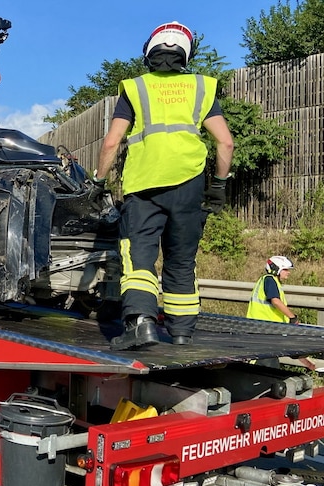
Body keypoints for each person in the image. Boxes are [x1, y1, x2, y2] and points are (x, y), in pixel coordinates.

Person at [95, 21, 234, 350]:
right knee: (182, 259)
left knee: (139, 256)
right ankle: (182, 331)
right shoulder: (200, 88)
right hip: (189, 184)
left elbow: (112, 142)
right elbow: (225, 143)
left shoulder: (136, 88)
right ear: (186, 53)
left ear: (149, 50)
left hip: (144, 186)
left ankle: (141, 324)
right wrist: (219, 184)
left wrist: (99, 182)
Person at [246, 256, 317, 370]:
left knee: (269, 364)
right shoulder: (270, 280)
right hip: (264, 330)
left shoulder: (268, 281)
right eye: (285, 269)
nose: (288, 273)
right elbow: (275, 301)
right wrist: (292, 317)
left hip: (266, 330)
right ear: (276, 269)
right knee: (266, 367)